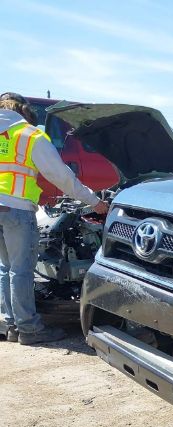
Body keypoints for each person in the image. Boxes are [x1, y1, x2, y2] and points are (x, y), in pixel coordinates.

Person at [0, 92, 108, 345]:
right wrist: (95, 202)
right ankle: (29, 330)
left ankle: (9, 325)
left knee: (4, 269)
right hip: (16, 209)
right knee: (21, 271)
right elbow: (61, 176)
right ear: (24, 111)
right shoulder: (29, 135)